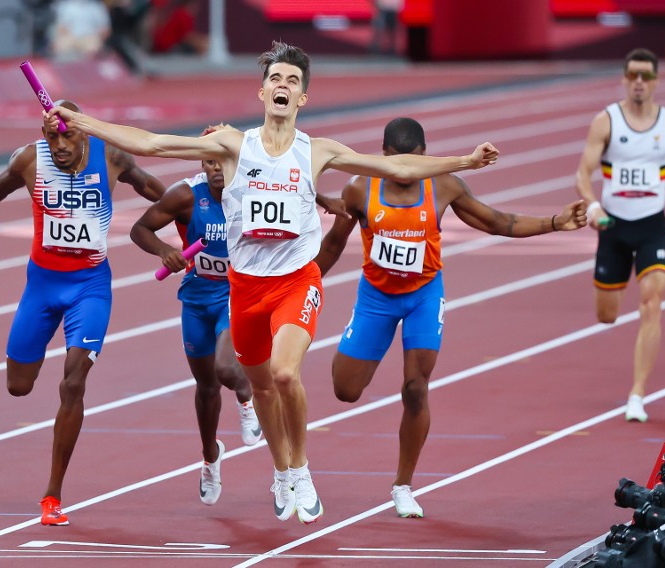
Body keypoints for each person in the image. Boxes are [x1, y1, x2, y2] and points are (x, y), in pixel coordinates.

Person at [46, 40, 499, 524]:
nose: (283, 86)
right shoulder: (233, 146)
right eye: (276, 79)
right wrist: (83, 122)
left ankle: (300, 469)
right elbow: (154, 143)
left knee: (285, 374)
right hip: (245, 288)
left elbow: (399, 166)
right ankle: (281, 470)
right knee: (261, 389)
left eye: (292, 81)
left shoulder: (317, 151)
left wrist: (464, 162)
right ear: (262, 91)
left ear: (302, 98)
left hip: (296, 282)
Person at [314, 117, 587, 518]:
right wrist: (300, 283)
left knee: (415, 387)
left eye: (414, 164)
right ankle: (356, 344)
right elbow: (334, 244)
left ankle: (403, 486)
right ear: (384, 157)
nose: (406, 172)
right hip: (376, 298)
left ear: (426, 157)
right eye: (397, 164)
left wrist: (554, 222)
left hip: (424, 295)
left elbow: (496, 222)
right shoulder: (360, 188)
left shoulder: (443, 185)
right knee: (345, 390)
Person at [0, 100, 166, 526]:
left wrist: (190, 210)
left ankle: (52, 495)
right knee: (18, 387)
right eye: (51, 136)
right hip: (41, 287)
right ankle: (33, 368)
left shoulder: (110, 154)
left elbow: (150, 186)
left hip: (90, 287)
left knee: (73, 381)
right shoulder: (29, 160)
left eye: (67, 135)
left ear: (83, 131)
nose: (59, 145)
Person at [129, 123, 262, 507]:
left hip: (234, 296)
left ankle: (246, 401)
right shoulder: (186, 196)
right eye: (209, 162)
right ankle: (210, 456)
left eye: (224, 161)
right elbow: (140, 229)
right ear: (201, 164)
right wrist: (162, 251)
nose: (218, 170)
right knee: (205, 388)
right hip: (196, 301)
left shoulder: (252, 192)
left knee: (226, 367)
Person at [575, 48, 665, 423]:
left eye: (646, 76)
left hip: (651, 227)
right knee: (606, 315)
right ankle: (616, 285)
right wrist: (593, 207)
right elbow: (583, 172)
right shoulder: (606, 122)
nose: (639, 82)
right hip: (614, 227)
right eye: (633, 76)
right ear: (625, 80)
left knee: (652, 303)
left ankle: (637, 395)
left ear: (656, 81)